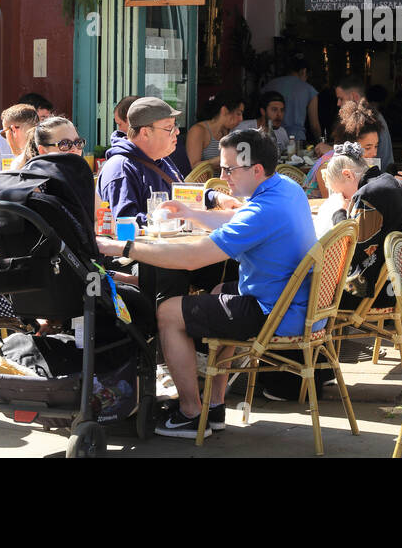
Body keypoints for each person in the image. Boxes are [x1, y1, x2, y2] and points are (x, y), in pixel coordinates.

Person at [97, 128, 317, 438]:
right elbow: (238, 220)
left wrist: (120, 248)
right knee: (217, 291)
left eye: (230, 169)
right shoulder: (286, 188)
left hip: (276, 314)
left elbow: (192, 258)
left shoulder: (263, 210)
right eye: (222, 167)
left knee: (168, 312)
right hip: (294, 304)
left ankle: (190, 413)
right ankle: (214, 406)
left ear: (256, 169)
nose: (223, 175)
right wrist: (192, 212)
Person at [317, 142, 402, 309]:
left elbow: (349, 249)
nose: (346, 200)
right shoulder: (400, 185)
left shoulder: (368, 195)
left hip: (374, 294)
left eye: (343, 194)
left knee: (310, 287)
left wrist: (339, 212)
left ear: (348, 175)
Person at [97, 97, 183, 226]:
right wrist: (175, 217)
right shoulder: (120, 168)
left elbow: (186, 194)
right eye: (169, 127)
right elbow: (125, 221)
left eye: (175, 125)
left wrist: (214, 198)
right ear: (145, 133)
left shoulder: (161, 158)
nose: (177, 131)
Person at [304, 100, 382, 197]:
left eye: (376, 146)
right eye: (368, 147)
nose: (374, 153)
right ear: (350, 143)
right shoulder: (329, 166)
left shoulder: (357, 164)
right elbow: (332, 203)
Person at [334, 76, 393, 170]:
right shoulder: (369, 117)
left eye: (341, 98)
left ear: (355, 97)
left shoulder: (369, 120)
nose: (338, 103)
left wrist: (329, 152)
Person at [264, 53, 321, 143]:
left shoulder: (269, 85)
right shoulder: (309, 89)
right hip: (296, 139)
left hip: (270, 137)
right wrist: (320, 142)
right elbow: (314, 125)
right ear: (304, 71)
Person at [185, 89, 245, 168]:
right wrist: (217, 160)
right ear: (224, 110)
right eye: (238, 113)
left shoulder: (227, 133)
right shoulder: (198, 131)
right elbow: (193, 167)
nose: (241, 119)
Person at [0, 103, 39, 172]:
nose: (6, 139)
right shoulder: (48, 149)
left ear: (14, 130)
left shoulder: (17, 163)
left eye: (4, 134)